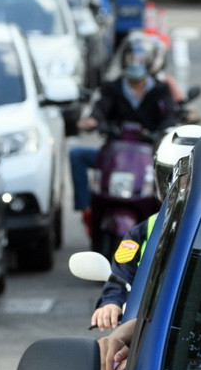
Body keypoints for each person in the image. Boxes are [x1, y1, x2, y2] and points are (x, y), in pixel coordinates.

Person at [89, 124, 201, 330]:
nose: (182, 191)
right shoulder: (141, 233)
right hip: (149, 328)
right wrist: (110, 303)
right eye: (172, 180)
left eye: (193, 181)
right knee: (109, 358)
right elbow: (120, 278)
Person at [69, 39, 179, 230]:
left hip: (147, 158)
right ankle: (86, 209)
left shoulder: (161, 89)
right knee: (76, 155)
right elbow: (100, 108)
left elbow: (169, 117)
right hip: (115, 156)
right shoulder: (112, 87)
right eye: (131, 58)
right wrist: (92, 120)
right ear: (123, 60)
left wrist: (162, 131)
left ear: (150, 61)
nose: (135, 63)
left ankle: (168, 224)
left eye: (141, 58)